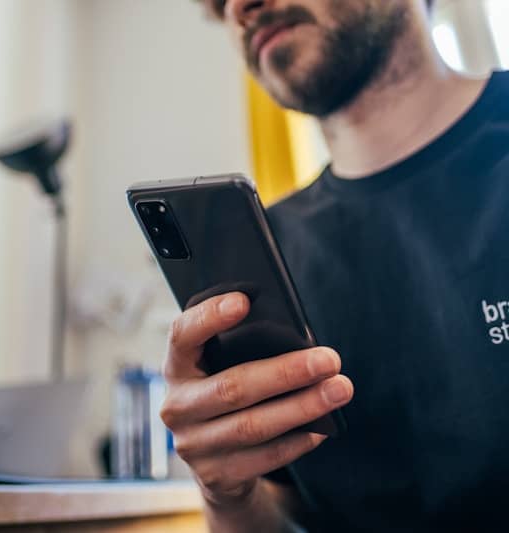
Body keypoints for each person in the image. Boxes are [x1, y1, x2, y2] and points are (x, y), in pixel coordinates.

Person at [161, 0, 509, 531]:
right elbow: (289, 519)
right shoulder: (263, 262)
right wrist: (228, 495)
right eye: (217, 3)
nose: (238, 8)